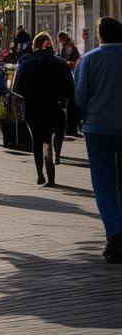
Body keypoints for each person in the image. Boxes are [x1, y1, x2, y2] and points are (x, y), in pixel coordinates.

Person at [74, 17, 122, 263]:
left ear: (100, 35)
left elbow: (80, 96)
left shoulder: (89, 60)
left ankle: (115, 233)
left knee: (103, 183)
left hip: (98, 128)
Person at [12, 31, 73, 187]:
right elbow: (69, 86)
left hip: (32, 107)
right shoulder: (58, 62)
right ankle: (50, 175)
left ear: (34, 46)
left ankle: (40, 174)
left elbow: (16, 87)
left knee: (36, 140)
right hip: (52, 106)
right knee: (47, 140)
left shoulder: (24, 62)